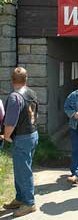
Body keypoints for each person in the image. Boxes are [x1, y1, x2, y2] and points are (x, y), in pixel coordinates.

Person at [1, 67, 39, 217]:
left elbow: (10, 122)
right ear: (26, 79)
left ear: (12, 80)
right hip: (33, 133)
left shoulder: (15, 97)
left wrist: (6, 135)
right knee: (21, 168)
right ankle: (20, 198)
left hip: (22, 137)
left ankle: (29, 203)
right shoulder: (32, 93)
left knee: (23, 170)